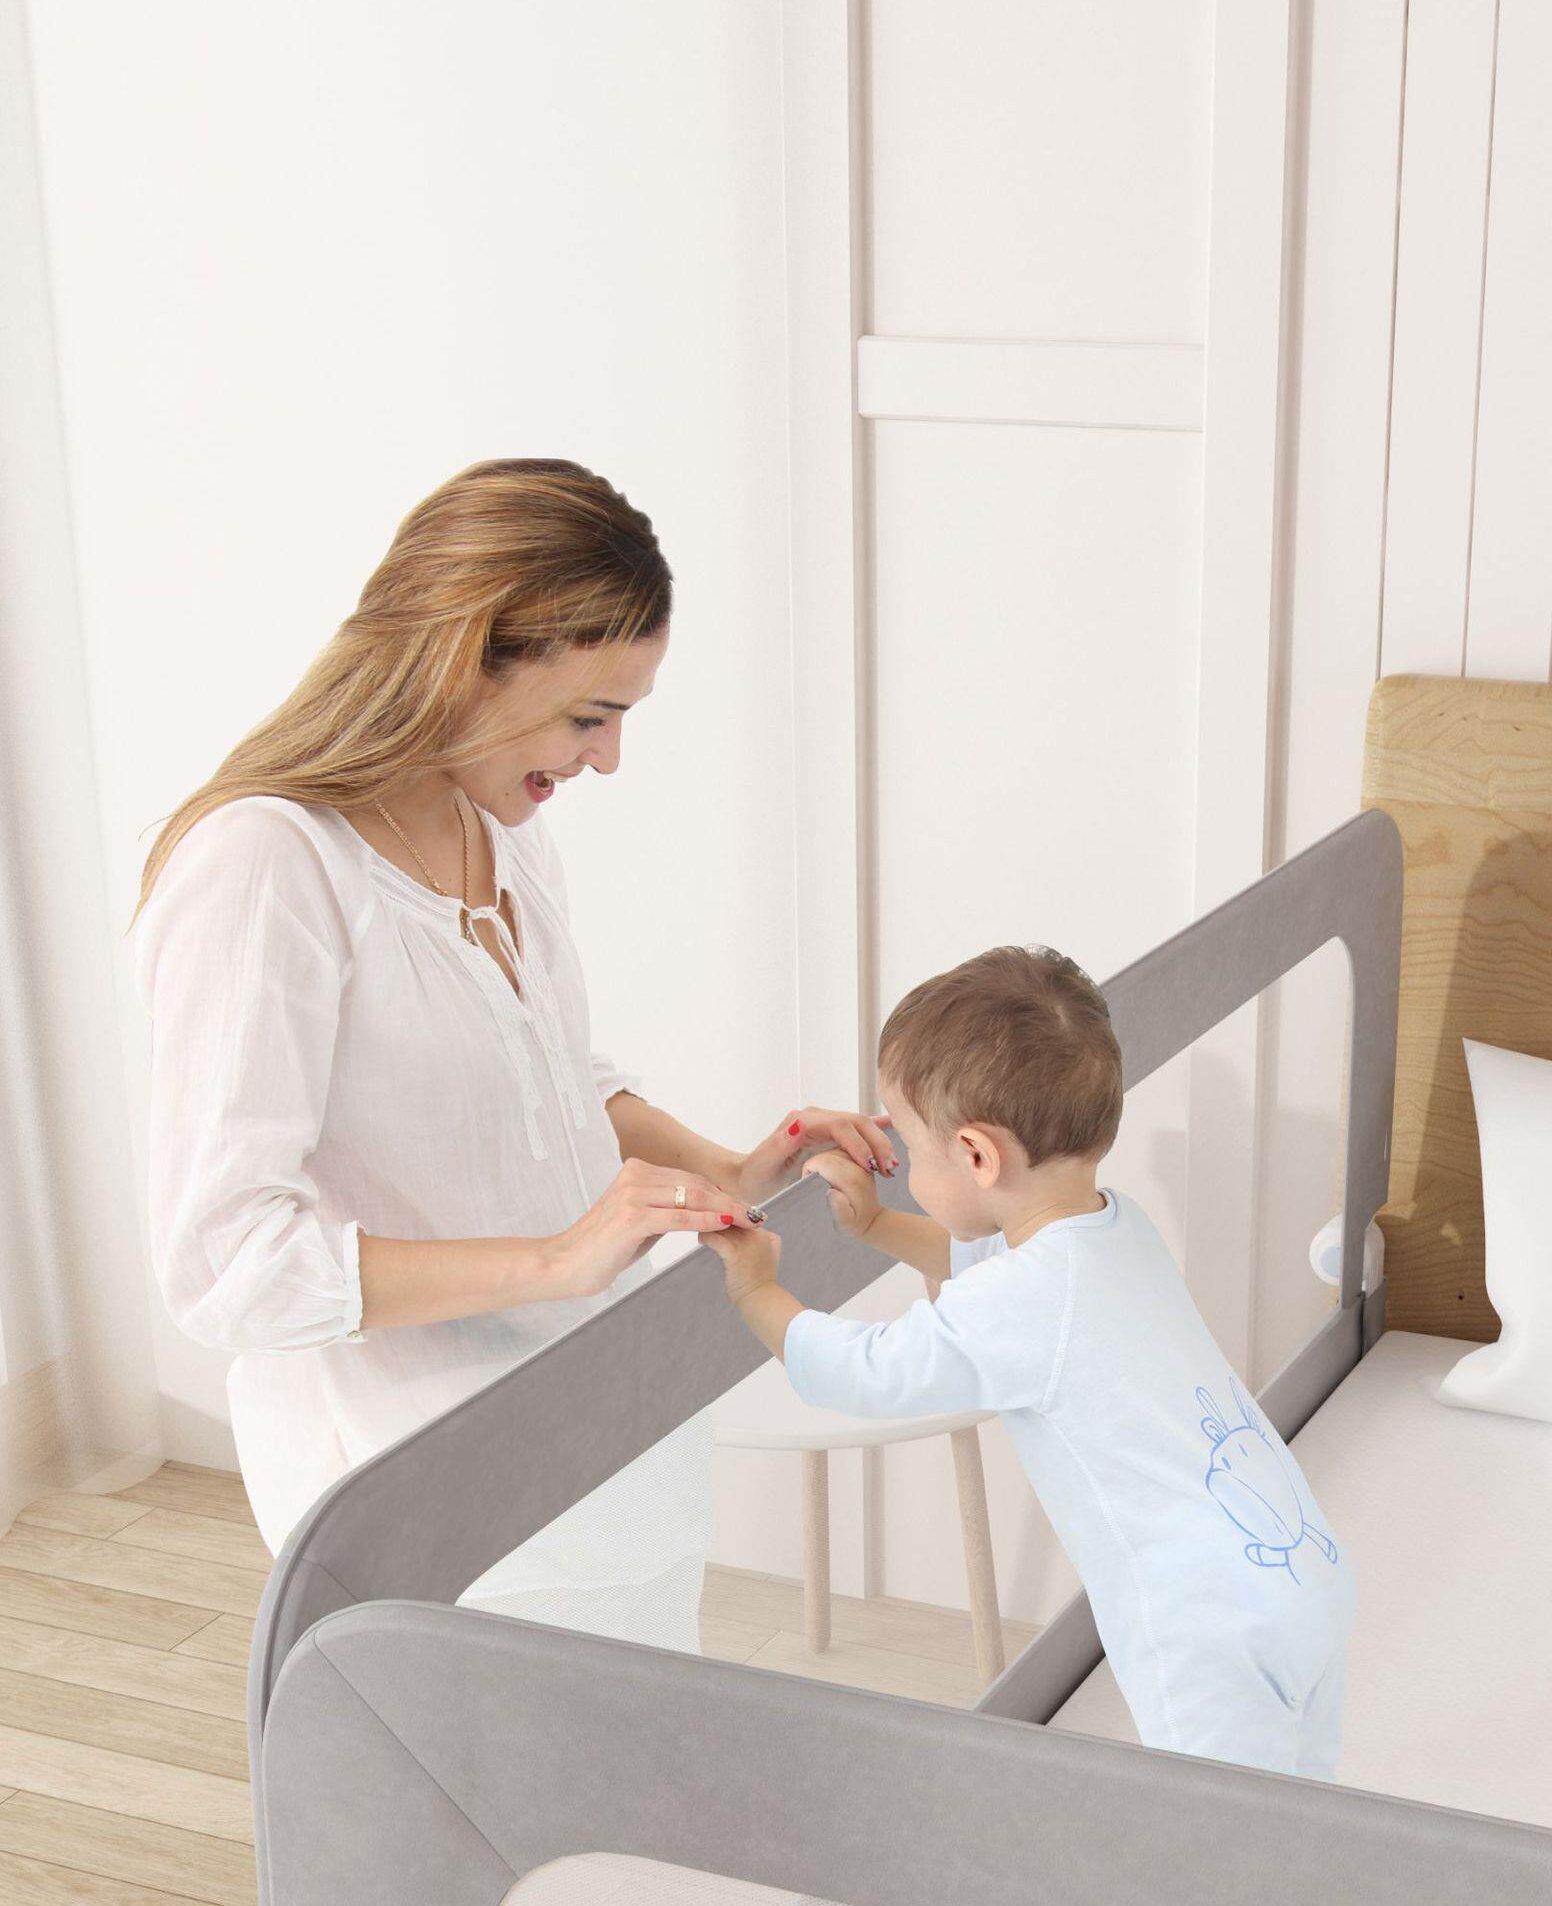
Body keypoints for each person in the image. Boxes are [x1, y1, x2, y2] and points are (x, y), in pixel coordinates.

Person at [128, 458, 894, 1651]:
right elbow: (227, 1264)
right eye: (590, 717)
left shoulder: (505, 832)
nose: (609, 759)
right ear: (463, 658)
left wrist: (728, 1171)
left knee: (645, 1754)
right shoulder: (267, 867)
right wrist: (556, 1260)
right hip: (426, 1497)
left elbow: (550, 1077)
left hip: (605, 1440)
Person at [707, 942, 1357, 1779]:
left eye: (913, 1150)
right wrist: (874, 1227)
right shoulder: (1113, 1226)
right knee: (1300, 1815)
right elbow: (988, 1272)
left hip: (1206, 1621)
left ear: (978, 1157)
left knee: (1208, 1831)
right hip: (1301, 1572)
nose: (906, 1169)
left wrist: (756, 1289)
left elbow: (866, 1371)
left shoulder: (1029, 1299)